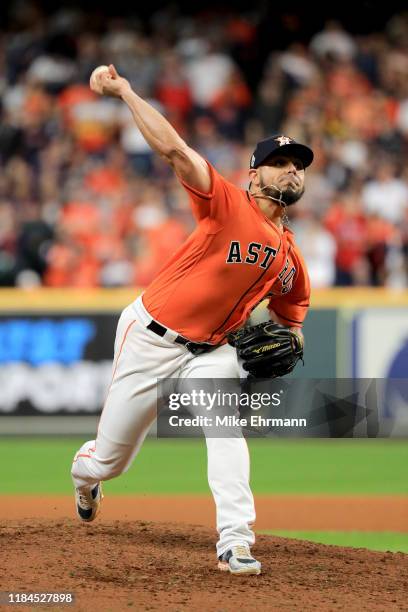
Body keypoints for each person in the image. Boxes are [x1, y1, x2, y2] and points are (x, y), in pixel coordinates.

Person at [71, 65, 313, 576]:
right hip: (151, 337)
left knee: (226, 431)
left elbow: (293, 318)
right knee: (109, 462)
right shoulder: (227, 203)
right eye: (279, 162)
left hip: (213, 352)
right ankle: (85, 476)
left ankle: (235, 540)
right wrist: (125, 91)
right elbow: (176, 150)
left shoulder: (291, 258)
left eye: (298, 164)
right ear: (255, 175)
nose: (291, 170)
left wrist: (290, 343)